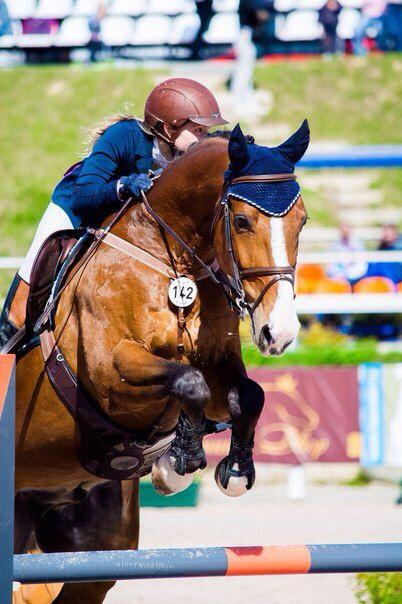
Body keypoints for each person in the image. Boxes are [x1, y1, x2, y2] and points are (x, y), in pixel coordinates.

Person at [0, 78, 228, 348]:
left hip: (128, 224)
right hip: (75, 209)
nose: (203, 137)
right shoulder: (124, 136)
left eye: (205, 131)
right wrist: (123, 185)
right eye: (199, 130)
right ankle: (7, 337)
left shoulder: (188, 156)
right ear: (169, 128)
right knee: (33, 270)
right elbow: (83, 195)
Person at [230, 0, 274, 117]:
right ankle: (238, 103)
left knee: (248, 72)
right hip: (245, 34)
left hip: (249, 34)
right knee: (243, 72)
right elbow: (261, 13)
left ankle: (247, 101)